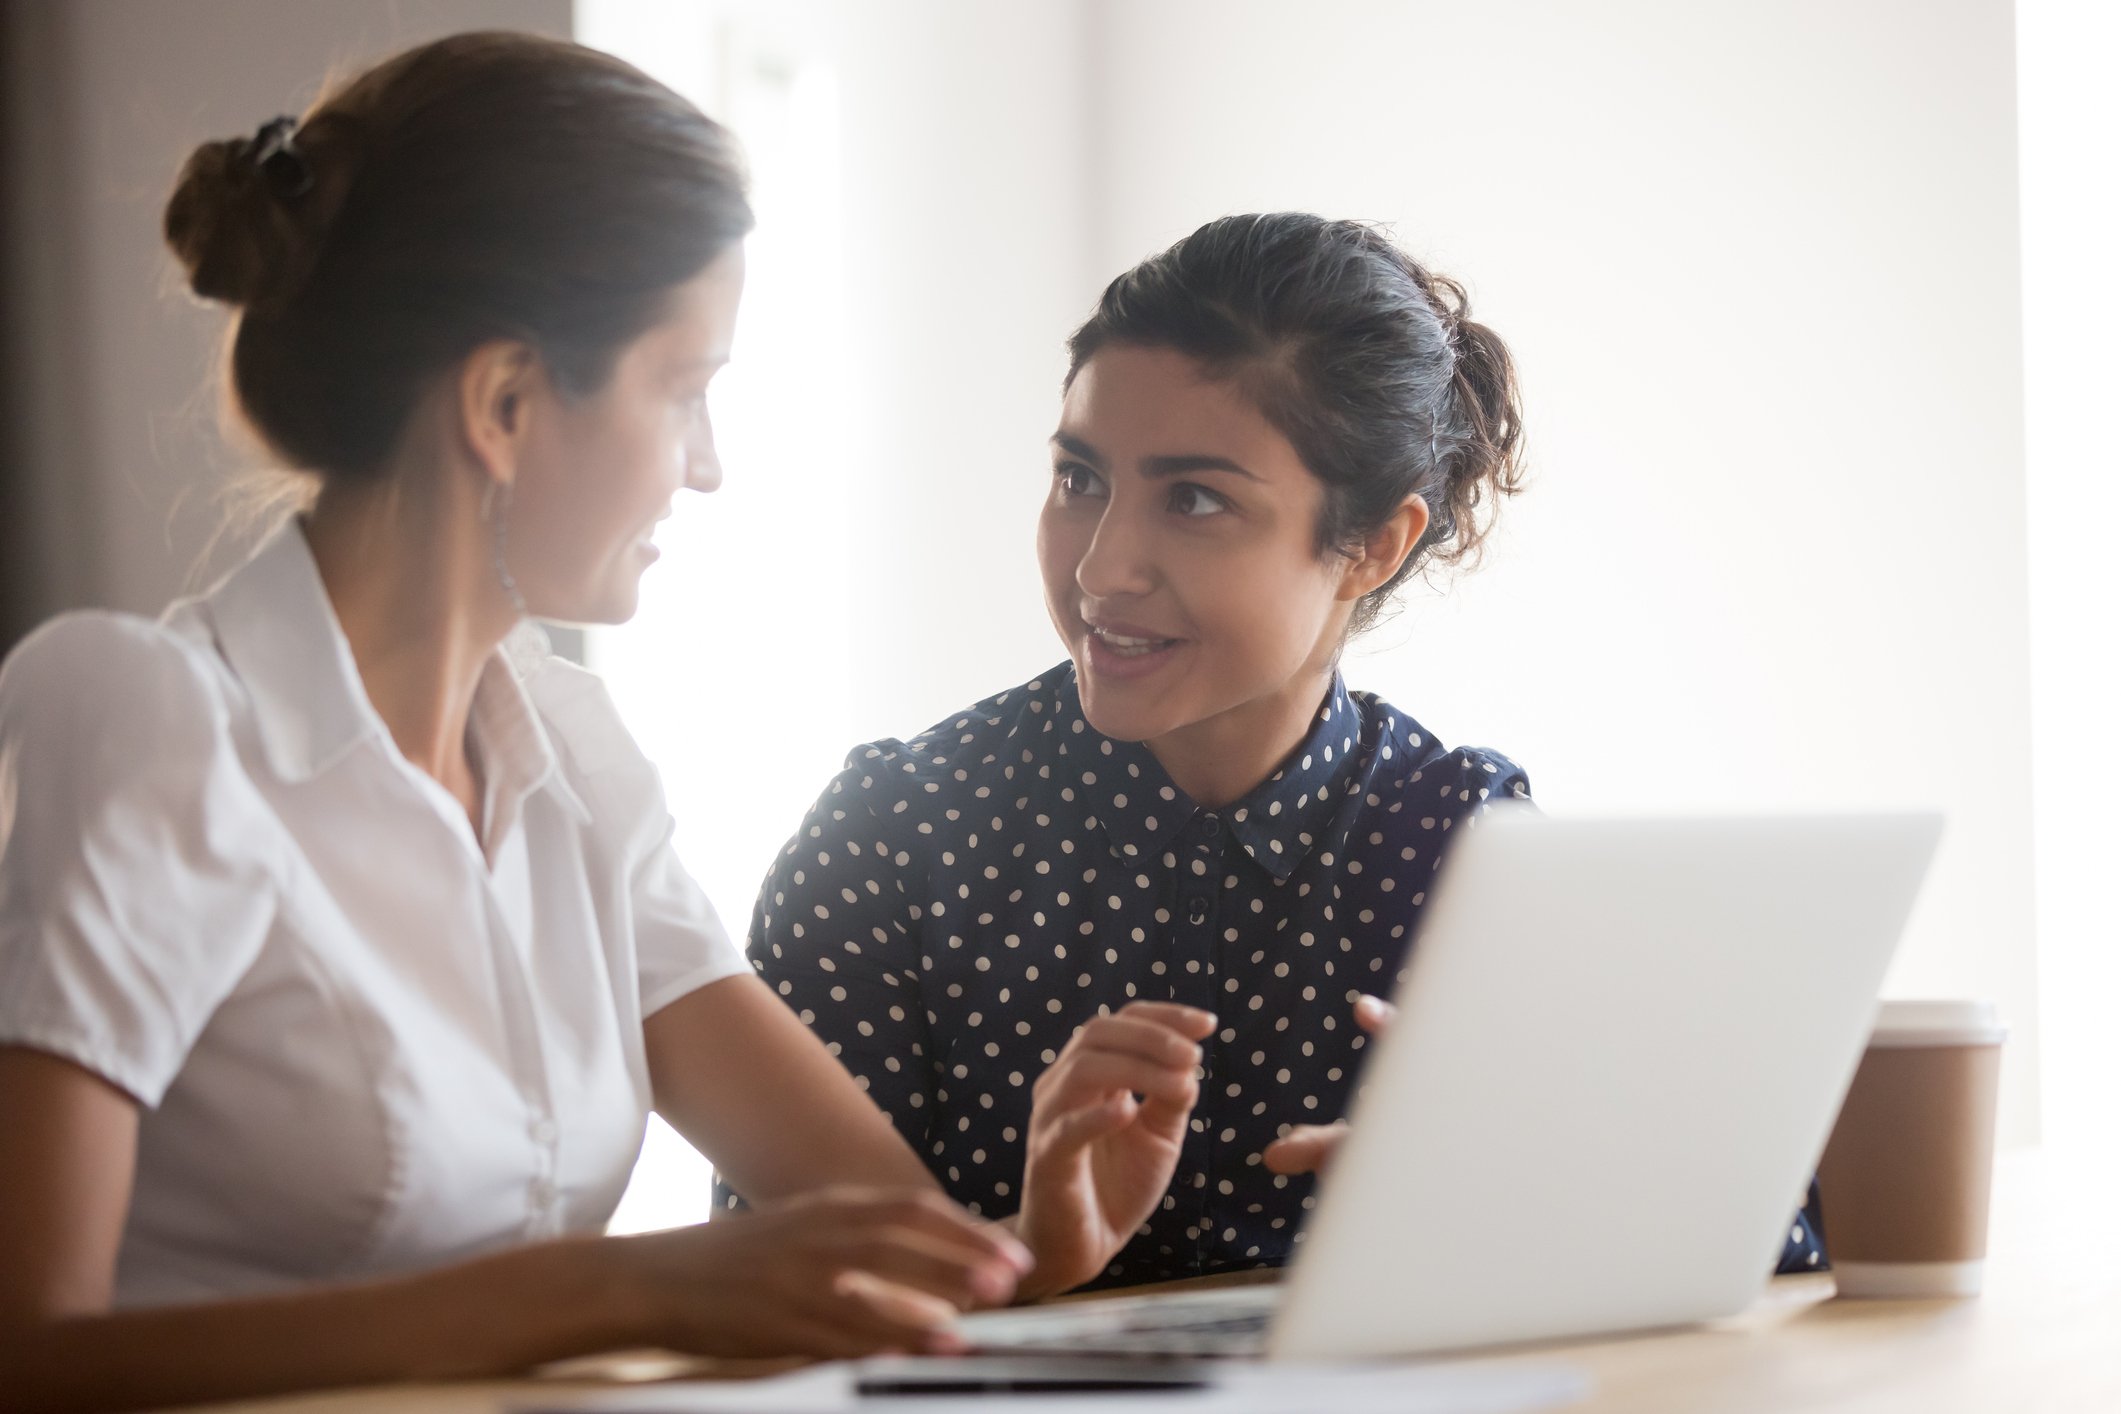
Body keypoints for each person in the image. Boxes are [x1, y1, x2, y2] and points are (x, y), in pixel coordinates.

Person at [0, 33, 1205, 1413]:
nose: (707, 465)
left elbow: (868, 1226)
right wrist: (617, 1285)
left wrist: (1036, 1248)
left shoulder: (571, 751)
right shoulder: (147, 714)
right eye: (685, 390)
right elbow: (29, 1349)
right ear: (507, 401)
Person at [744, 213, 1827, 1286]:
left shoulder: (1465, 846)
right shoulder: (895, 838)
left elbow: (1773, 1234)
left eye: (1197, 499)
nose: (1104, 568)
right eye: (1081, 479)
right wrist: (1027, 1251)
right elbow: (773, 1303)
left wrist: (1521, 1205)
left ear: (1372, 546)